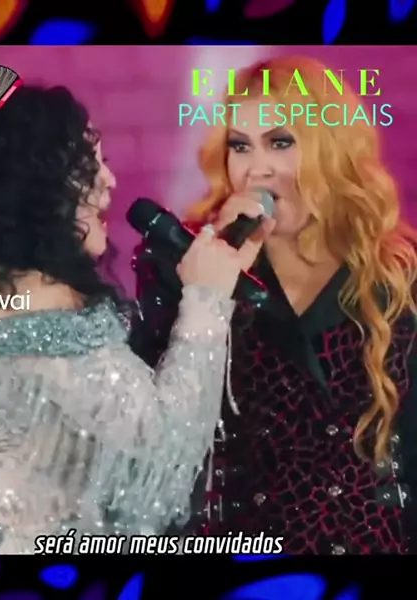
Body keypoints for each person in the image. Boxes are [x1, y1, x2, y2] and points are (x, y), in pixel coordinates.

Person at [0, 85, 263, 554]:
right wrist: (206, 300)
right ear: (38, 189)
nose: (109, 180)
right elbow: (163, 456)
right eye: (89, 167)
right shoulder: (42, 309)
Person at [130, 55, 417, 554]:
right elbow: (149, 438)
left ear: (331, 149)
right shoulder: (188, 261)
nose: (256, 168)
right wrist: (210, 287)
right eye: (240, 146)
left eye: (280, 142)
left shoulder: (398, 274)